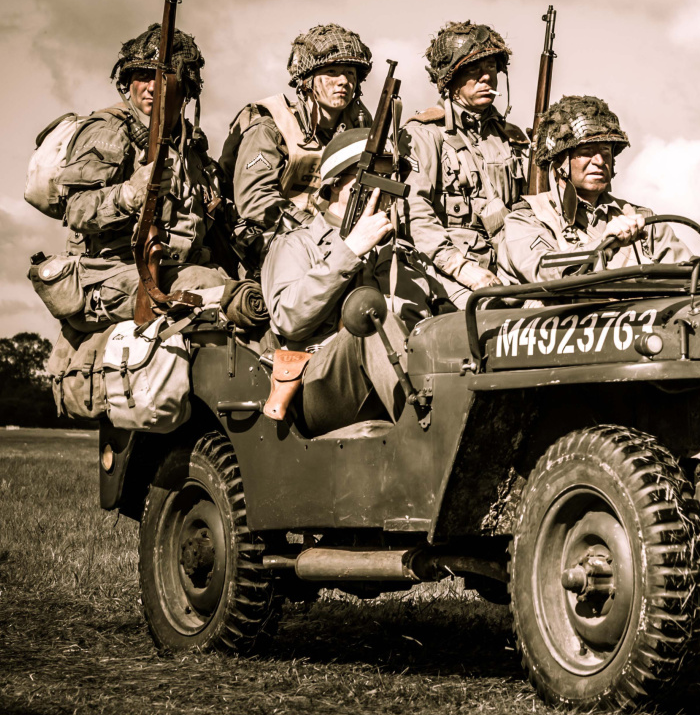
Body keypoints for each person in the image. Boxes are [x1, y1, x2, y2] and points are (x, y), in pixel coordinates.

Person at [54, 24, 228, 330]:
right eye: (143, 76)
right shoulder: (109, 130)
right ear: (128, 83)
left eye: (163, 78)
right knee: (214, 287)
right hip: (113, 273)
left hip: (181, 269)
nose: (151, 87)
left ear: (186, 88)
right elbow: (77, 210)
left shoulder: (193, 149)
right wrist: (129, 194)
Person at [262, 128, 437, 433]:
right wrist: (350, 250)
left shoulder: (399, 252)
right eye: (372, 178)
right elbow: (288, 318)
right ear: (334, 184)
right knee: (371, 326)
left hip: (400, 374)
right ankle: (427, 432)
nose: (383, 191)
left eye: (390, 180)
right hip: (320, 383)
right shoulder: (297, 244)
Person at [402, 20, 529, 308]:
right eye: (473, 70)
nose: (487, 78)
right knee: (490, 317)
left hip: (511, 266)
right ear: (450, 78)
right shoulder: (423, 134)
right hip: (446, 271)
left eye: (492, 68)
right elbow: (415, 215)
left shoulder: (511, 138)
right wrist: (463, 268)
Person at [221, 24, 373, 264]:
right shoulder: (271, 127)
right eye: (332, 71)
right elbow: (255, 200)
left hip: (337, 240)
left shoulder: (359, 134)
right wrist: (315, 229)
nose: (343, 80)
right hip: (274, 242)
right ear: (307, 81)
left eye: (350, 73)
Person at [499, 95, 693, 283]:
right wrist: (604, 245)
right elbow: (542, 271)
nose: (599, 161)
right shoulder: (526, 219)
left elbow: (691, 275)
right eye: (587, 152)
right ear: (560, 161)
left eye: (606, 152)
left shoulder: (641, 220)